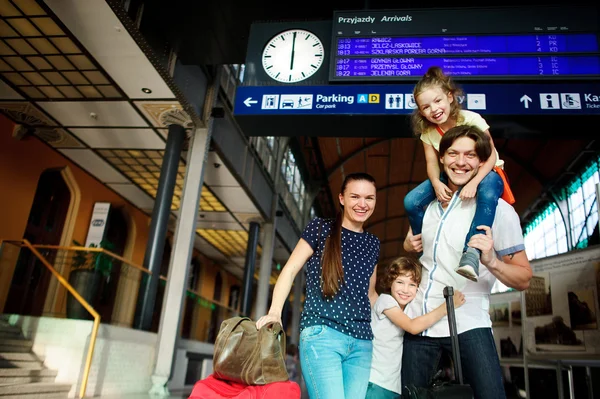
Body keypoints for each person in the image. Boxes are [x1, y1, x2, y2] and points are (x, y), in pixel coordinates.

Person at [402, 125, 532, 399]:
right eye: (453, 153)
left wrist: (492, 262)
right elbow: (416, 247)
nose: (460, 162)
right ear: (441, 158)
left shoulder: (499, 210)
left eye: (470, 155)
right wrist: (408, 243)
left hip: (469, 322)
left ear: (482, 162)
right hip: (420, 322)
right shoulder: (425, 206)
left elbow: (524, 278)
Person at [256, 172, 380, 399]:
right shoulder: (320, 229)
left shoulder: (372, 243)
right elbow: (290, 270)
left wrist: (406, 315)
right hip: (322, 336)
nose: (362, 204)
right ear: (342, 198)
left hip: (362, 343)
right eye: (355, 197)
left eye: (369, 198)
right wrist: (275, 312)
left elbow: (370, 294)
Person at [403, 66, 512, 282]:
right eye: (425, 107)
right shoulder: (428, 132)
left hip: (485, 170)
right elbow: (432, 163)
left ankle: (471, 251)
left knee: (488, 193)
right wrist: (435, 182)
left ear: (450, 97)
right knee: (411, 201)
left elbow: (490, 156)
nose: (433, 109)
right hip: (451, 173)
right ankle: (427, 245)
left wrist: (475, 182)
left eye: (437, 101)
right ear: (420, 111)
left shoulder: (470, 119)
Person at [367, 257, 465, 399]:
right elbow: (413, 327)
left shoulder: (406, 310)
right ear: (390, 283)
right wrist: (446, 307)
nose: (405, 290)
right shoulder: (385, 301)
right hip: (376, 382)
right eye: (400, 282)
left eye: (412, 285)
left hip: (391, 386)